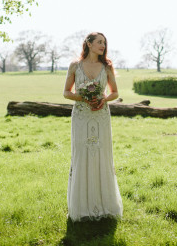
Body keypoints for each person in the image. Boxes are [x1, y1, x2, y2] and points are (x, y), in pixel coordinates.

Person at [63, 32, 123, 222]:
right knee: (81, 155)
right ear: (88, 44)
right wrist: (84, 98)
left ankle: (105, 205)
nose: (103, 46)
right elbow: (66, 93)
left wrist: (102, 99)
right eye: (99, 42)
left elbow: (115, 93)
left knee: (102, 155)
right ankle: (82, 207)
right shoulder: (75, 66)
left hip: (101, 116)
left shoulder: (107, 67)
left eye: (104, 43)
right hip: (81, 115)